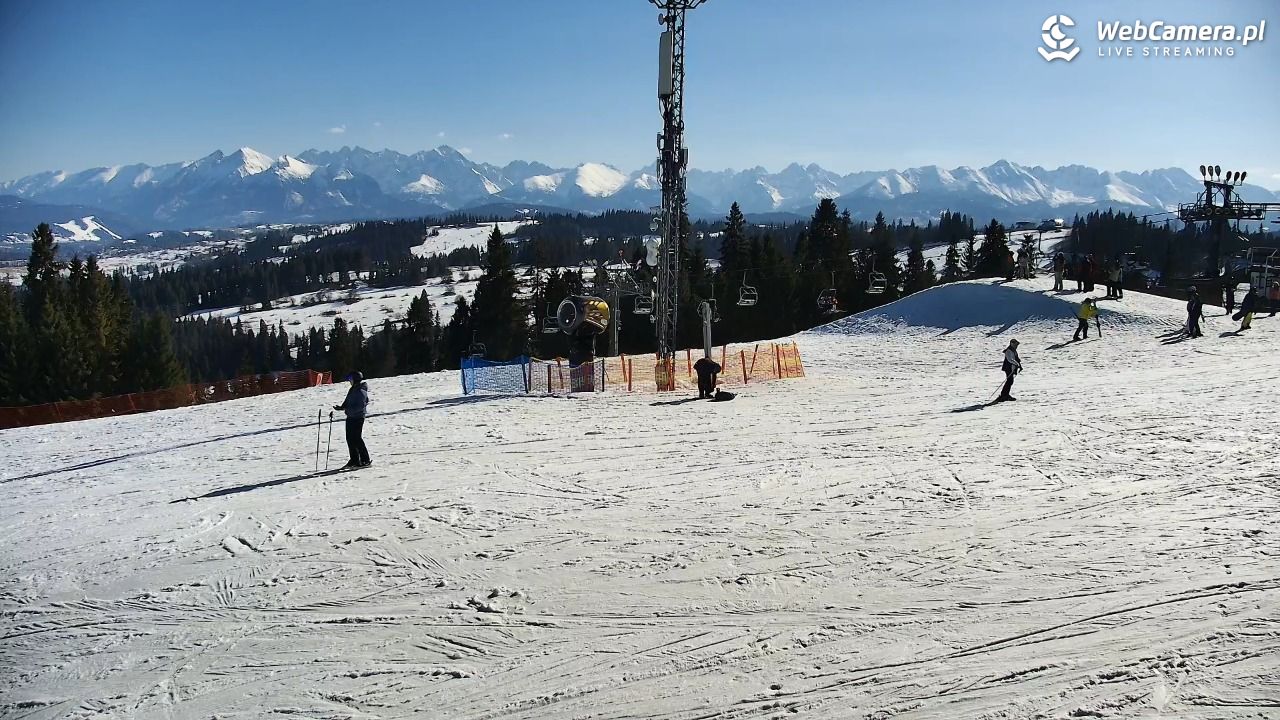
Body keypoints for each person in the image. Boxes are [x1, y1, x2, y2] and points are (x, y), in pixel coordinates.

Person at [333, 371, 371, 468]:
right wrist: (342, 407)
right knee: (350, 439)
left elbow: (360, 406)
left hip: (358, 418)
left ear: (355, 380)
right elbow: (347, 401)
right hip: (350, 417)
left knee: (357, 439)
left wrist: (348, 409)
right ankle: (354, 460)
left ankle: (365, 460)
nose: (350, 381)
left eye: (351, 379)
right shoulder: (352, 389)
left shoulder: (361, 391)